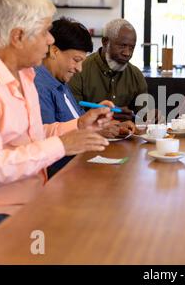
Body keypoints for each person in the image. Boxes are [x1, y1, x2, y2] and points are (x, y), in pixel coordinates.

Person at [0, 0, 113, 235]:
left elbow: (30, 136)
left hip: (34, 198)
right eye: (45, 31)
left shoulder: (25, 73)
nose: (51, 40)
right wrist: (62, 146)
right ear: (18, 37)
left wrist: (77, 126)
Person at [34, 17, 135, 177]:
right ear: (54, 51)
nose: (80, 69)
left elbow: (76, 120)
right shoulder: (39, 86)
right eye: (76, 60)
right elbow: (46, 140)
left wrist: (105, 124)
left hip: (78, 163)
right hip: (63, 175)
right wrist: (95, 132)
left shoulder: (60, 80)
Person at [68, 18, 148, 120]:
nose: (127, 53)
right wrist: (107, 118)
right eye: (122, 46)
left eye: (132, 47)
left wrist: (149, 117)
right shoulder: (79, 71)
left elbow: (142, 117)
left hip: (127, 135)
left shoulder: (136, 75)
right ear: (105, 42)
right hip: (89, 134)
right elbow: (72, 117)